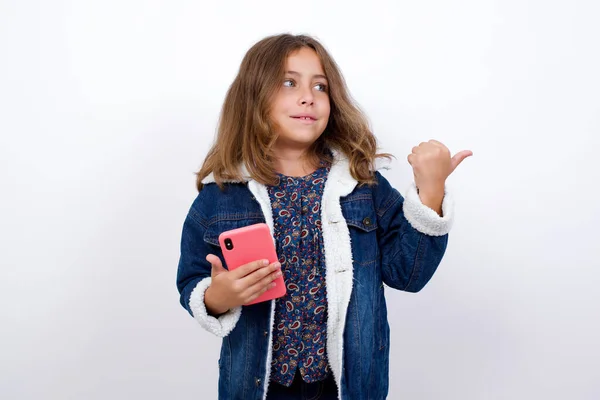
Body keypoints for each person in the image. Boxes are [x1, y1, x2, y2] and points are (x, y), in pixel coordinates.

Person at [176, 33, 472, 400]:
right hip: (257, 387)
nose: (308, 97)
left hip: (346, 385)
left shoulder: (363, 186)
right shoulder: (221, 195)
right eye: (289, 82)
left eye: (321, 86)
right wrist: (216, 297)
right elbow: (191, 278)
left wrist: (431, 191)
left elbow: (407, 274)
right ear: (253, 96)